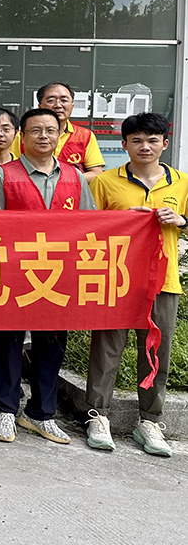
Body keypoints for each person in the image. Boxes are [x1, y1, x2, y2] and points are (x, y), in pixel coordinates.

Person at [0, 108, 94, 446]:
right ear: (23, 135)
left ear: (60, 134)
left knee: (51, 347)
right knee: (9, 343)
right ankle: (5, 409)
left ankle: (41, 414)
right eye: (36, 130)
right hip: (15, 275)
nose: (44, 136)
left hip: (57, 277)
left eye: (51, 130)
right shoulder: (4, 175)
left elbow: (91, 224)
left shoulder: (75, 178)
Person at [85, 112, 186, 458]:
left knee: (156, 351)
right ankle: (98, 415)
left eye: (152, 140)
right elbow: (85, 229)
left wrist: (180, 220)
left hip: (163, 281)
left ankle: (150, 420)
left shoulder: (181, 183)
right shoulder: (105, 183)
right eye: (137, 140)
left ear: (164, 144)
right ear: (124, 144)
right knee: (107, 349)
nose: (145, 147)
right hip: (115, 278)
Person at [13, 82, 105, 182]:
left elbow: (96, 173)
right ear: (40, 106)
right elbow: (11, 169)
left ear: (72, 106)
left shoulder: (85, 136)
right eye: (51, 100)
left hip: (71, 194)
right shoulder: (22, 135)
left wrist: (62, 181)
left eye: (64, 100)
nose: (58, 105)